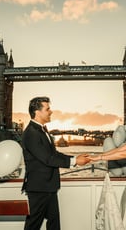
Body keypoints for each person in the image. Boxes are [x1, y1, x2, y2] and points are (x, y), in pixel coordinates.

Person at [21, 96, 90, 230]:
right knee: (33, 225)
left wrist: (75, 158)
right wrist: (75, 161)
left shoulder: (41, 130)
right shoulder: (31, 133)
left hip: (48, 186)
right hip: (39, 189)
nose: (51, 112)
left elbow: (54, 154)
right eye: (48, 109)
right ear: (37, 112)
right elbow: (48, 159)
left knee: (54, 223)